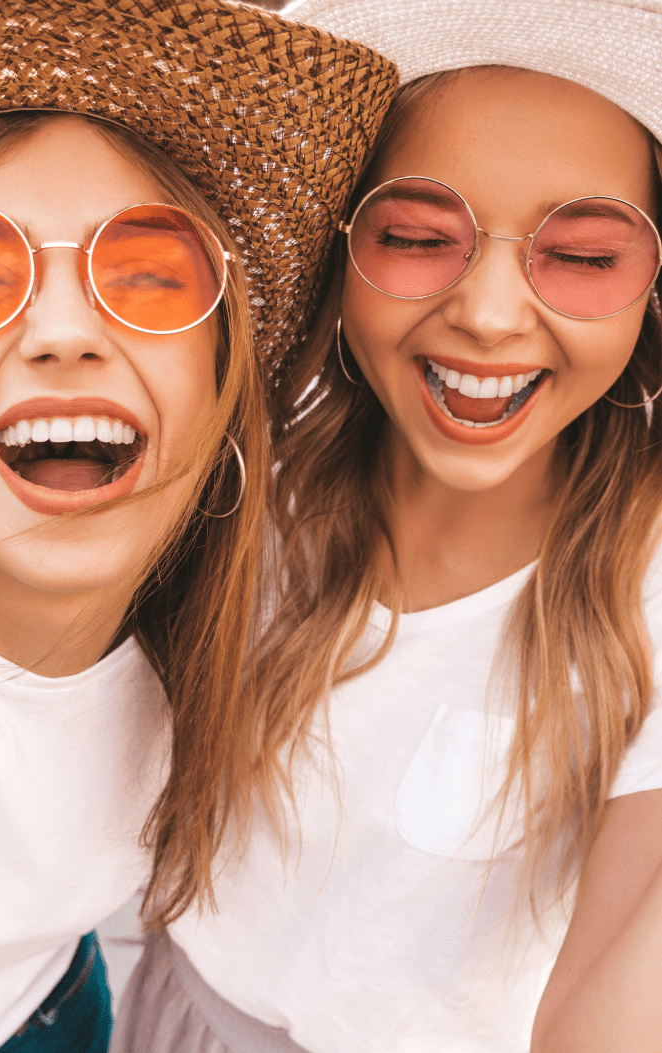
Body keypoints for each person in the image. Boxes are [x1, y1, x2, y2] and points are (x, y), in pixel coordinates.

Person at [0, 1, 398, 1050]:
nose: (63, 331)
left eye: (147, 277)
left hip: (53, 1004)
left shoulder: (258, 597)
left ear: (222, 382)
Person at [111, 1, 662, 1051]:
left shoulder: (647, 594)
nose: (489, 315)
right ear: (343, 245)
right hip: (173, 1009)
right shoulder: (246, 474)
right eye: (415, 237)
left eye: (586, 257)